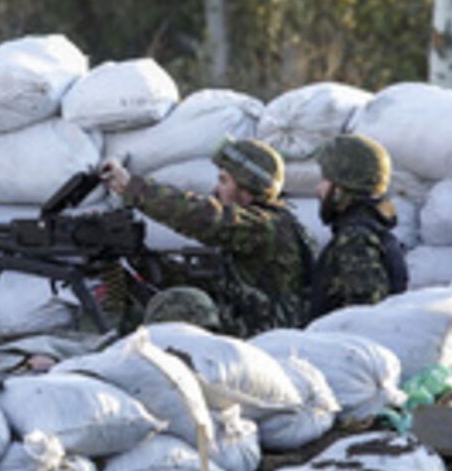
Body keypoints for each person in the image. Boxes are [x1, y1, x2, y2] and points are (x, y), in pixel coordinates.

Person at [100, 137, 313, 338]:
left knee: (175, 312)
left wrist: (134, 189)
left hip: (263, 337)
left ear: (247, 190)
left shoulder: (265, 226)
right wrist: (140, 259)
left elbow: (205, 218)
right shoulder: (258, 230)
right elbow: (213, 285)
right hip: (252, 326)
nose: (215, 190)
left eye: (224, 181)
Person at [309, 133, 409, 319]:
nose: (318, 189)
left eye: (325, 181)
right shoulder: (374, 229)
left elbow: (365, 315)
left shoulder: (356, 238)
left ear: (341, 187)